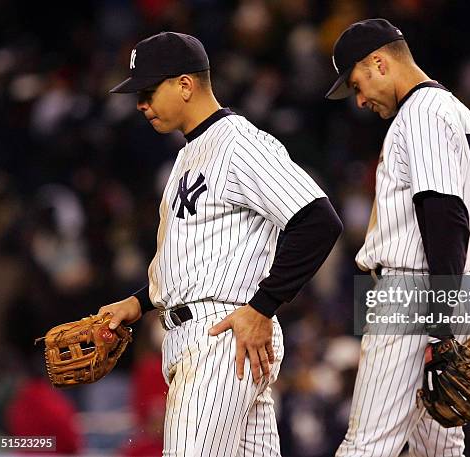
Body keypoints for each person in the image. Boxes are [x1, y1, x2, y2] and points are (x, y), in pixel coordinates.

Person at [99, 31, 342, 456]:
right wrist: (138, 304)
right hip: (206, 334)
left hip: (222, 335)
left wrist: (264, 306)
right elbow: (194, 261)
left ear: (185, 85)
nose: (140, 104)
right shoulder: (188, 154)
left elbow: (318, 220)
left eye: (148, 90)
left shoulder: (239, 143)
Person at [325, 19, 470, 456]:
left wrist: (439, 327)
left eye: (357, 84)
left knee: (366, 445)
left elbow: (447, 216)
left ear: (379, 62)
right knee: (438, 450)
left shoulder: (421, 114)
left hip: (415, 294)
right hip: (450, 288)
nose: (359, 99)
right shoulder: (462, 115)